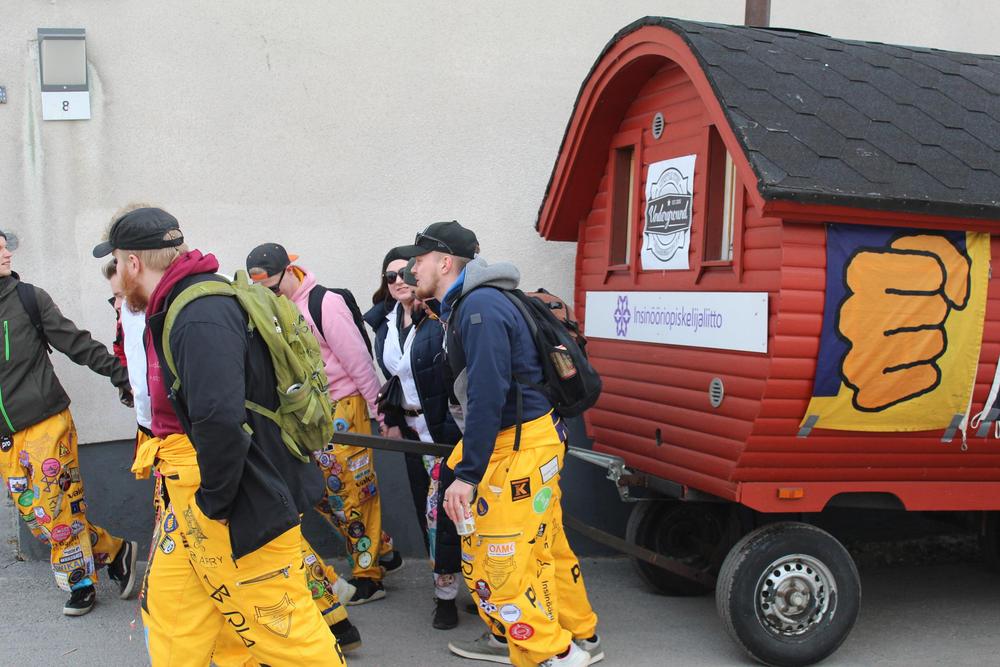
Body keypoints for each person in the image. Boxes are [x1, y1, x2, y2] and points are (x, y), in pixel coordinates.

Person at [95, 207, 346, 665]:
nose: (116, 277)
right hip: (193, 495)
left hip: (230, 499)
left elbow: (219, 420)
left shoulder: (198, 313)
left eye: (116, 262)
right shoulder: (183, 303)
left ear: (133, 263)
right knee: (172, 614)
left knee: (282, 630)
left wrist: (214, 504)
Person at [401, 221, 603, 667]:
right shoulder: (480, 301)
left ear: (445, 262)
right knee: (545, 548)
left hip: (516, 449)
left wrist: (468, 475)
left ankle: (553, 653)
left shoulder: (479, 308)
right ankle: (579, 635)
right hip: (534, 442)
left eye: (419, 259)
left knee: (500, 562)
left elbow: (487, 395)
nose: (411, 269)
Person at [246, 243, 402, 605]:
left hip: (343, 408)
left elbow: (358, 361)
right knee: (316, 491)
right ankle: (381, 549)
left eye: (273, 286)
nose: (270, 294)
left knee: (354, 492)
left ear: (290, 270)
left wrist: (380, 413)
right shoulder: (273, 308)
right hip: (306, 415)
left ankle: (368, 576)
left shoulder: (324, 303)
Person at [0, 229, 138, 616]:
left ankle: (80, 583)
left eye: (5, 247)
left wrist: (121, 374)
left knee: (57, 509)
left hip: (45, 421)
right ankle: (114, 550)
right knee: (37, 517)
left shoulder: (27, 299)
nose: (7, 254)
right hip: (5, 436)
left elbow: (74, 341)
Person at [363, 248, 462, 629]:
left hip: (443, 432)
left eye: (404, 271)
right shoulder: (386, 323)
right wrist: (389, 417)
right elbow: (394, 379)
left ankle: (449, 596)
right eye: (390, 276)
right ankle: (449, 587)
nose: (398, 280)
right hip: (411, 435)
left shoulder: (437, 317)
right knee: (428, 512)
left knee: (442, 515)